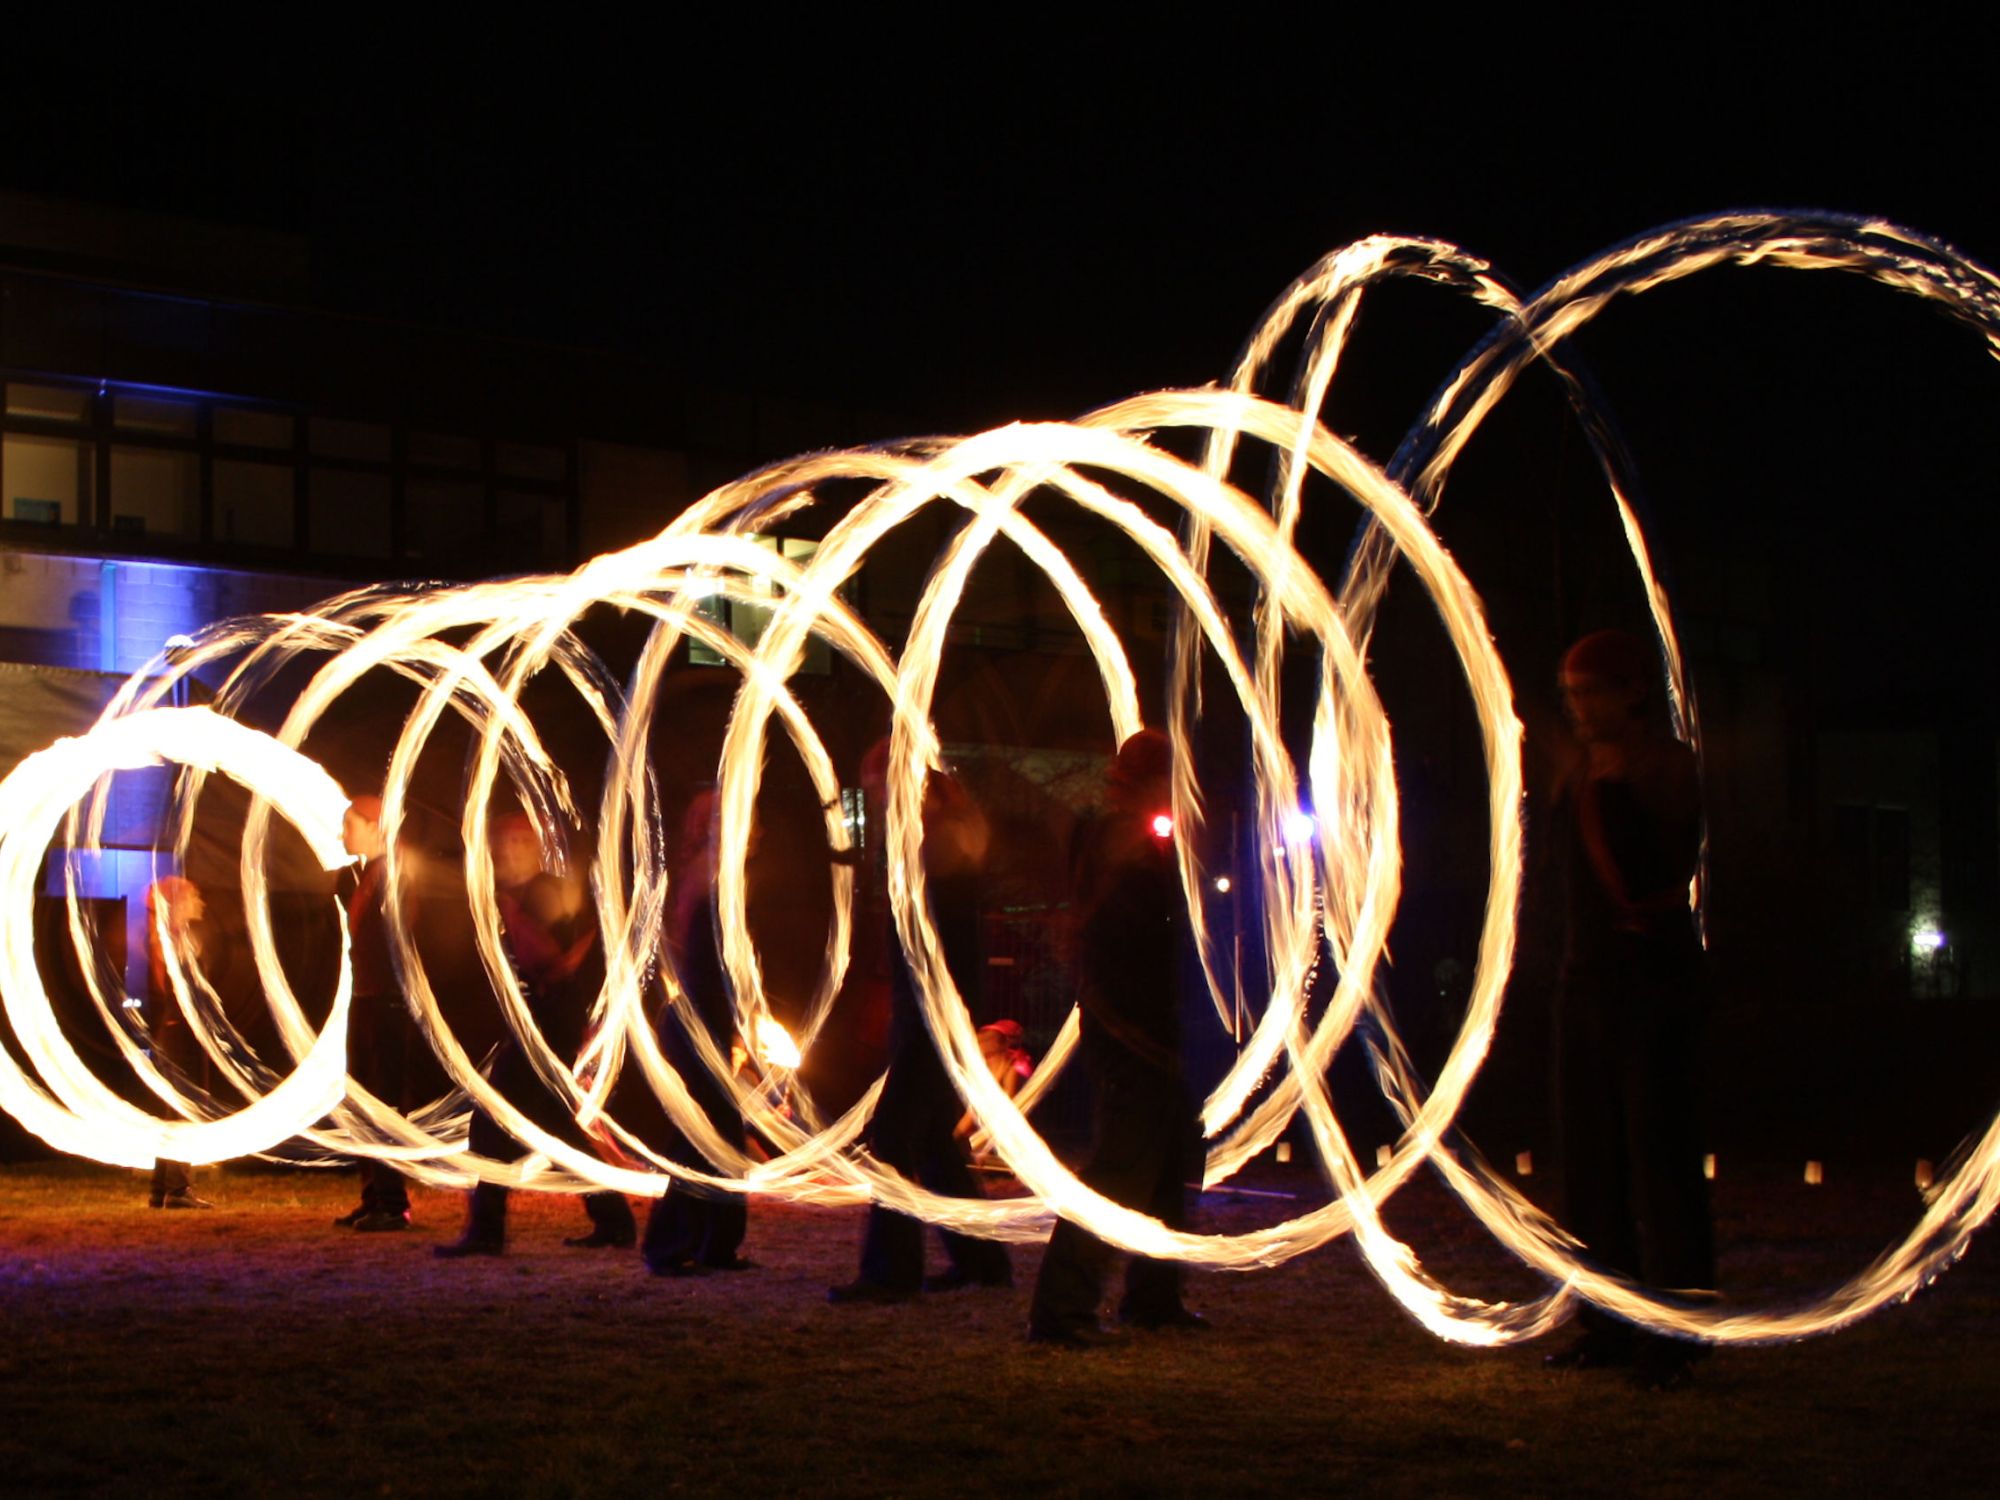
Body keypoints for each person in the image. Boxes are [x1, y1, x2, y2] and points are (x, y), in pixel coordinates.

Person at [1542, 629, 1714, 1390]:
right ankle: (1605, 1322)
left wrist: (1605, 790)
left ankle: (1676, 1331)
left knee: (1660, 1158)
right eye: (1571, 694)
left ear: (1632, 692)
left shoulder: (1664, 767)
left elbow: (1656, 870)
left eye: (1592, 692)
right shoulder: (1578, 769)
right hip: (1585, 983)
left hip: (1652, 982)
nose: (1579, 708)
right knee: (1591, 1162)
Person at [1027, 730, 1205, 1346]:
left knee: (1171, 1169)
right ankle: (1061, 1309)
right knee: (1120, 1171)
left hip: (1162, 1029)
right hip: (1129, 1028)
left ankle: (1155, 1298)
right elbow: (1115, 938)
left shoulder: (1152, 841)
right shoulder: (1117, 840)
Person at [829, 767, 1013, 1304]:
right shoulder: (933, 845)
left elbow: (937, 944)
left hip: (935, 1018)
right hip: (929, 1014)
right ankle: (983, 1262)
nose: (877, 793)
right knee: (933, 1143)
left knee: (892, 1136)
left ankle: (892, 1273)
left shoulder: (941, 847)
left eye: (884, 781)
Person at [436, 813, 637, 1257]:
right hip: (544, 1023)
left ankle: (487, 1233)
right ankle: (615, 1220)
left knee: (490, 1124)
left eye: (517, 843)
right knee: (556, 1130)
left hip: (549, 1027)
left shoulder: (540, 893)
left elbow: (546, 960)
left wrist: (508, 910)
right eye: (500, 844)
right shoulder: (534, 892)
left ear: (533, 847)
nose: (506, 852)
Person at [641, 791, 754, 1276]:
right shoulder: (707, 874)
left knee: (722, 1136)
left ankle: (716, 1246)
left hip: (705, 1018)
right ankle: (668, 1246)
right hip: (695, 1021)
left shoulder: (718, 874)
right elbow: (701, 959)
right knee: (702, 1137)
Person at [332, 796, 420, 1232]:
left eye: (350, 824)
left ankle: (392, 1202)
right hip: (367, 1000)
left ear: (374, 826)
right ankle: (373, 1197)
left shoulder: (396, 875)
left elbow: (403, 938)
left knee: (384, 1104)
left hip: (387, 1002)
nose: (342, 833)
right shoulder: (368, 874)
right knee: (364, 1102)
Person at [144, 874, 213, 1210]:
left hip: (176, 1031)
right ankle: (178, 1189)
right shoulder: (174, 942)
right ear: (177, 904)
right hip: (180, 1033)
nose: (200, 902)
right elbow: (186, 994)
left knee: (173, 1111)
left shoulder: (173, 939)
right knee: (184, 1109)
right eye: (193, 896)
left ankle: (161, 1188)